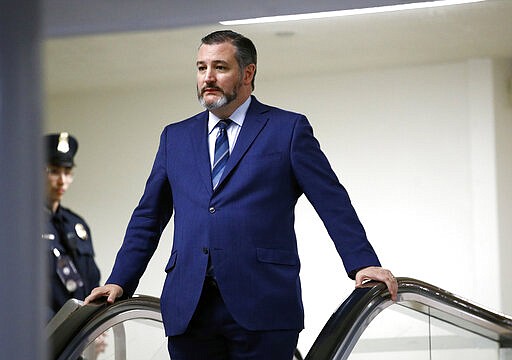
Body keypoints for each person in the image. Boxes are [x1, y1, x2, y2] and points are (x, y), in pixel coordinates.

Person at [85, 30, 398, 359]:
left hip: (263, 305)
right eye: (201, 67)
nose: (208, 77)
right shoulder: (175, 138)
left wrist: (363, 263)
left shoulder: (287, 129)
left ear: (247, 73)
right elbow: (149, 217)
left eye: (220, 67)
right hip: (189, 309)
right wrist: (119, 279)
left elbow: (332, 202)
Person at [44, 132, 101, 320]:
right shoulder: (21, 225)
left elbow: (91, 281)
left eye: (67, 173)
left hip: (77, 334)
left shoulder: (76, 225)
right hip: (41, 335)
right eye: (53, 171)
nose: (62, 180)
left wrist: (94, 325)